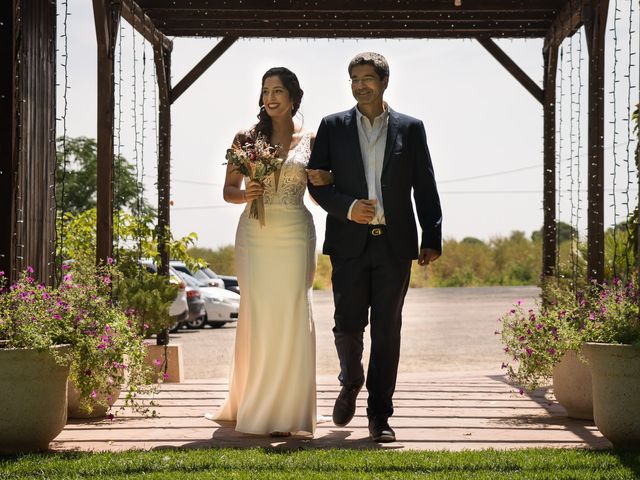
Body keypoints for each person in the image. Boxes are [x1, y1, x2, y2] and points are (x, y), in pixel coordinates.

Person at [307, 52, 442, 443]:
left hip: (395, 245)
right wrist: (349, 207)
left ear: (384, 81)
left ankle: (379, 415)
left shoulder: (411, 128)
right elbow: (317, 182)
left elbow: (425, 184)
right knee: (347, 325)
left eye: (367, 78)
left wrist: (432, 235)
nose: (360, 84)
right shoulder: (332, 127)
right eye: (354, 78)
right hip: (348, 244)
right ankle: (350, 381)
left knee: (387, 331)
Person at [210, 67, 331, 436]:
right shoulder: (246, 137)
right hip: (255, 235)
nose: (271, 97)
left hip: (296, 231)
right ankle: (257, 404)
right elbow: (229, 190)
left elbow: (317, 191)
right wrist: (244, 194)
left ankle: (293, 410)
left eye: (278, 90)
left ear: (294, 96)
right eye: (265, 91)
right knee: (259, 313)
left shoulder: (312, 138)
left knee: (295, 311)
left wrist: (327, 180)